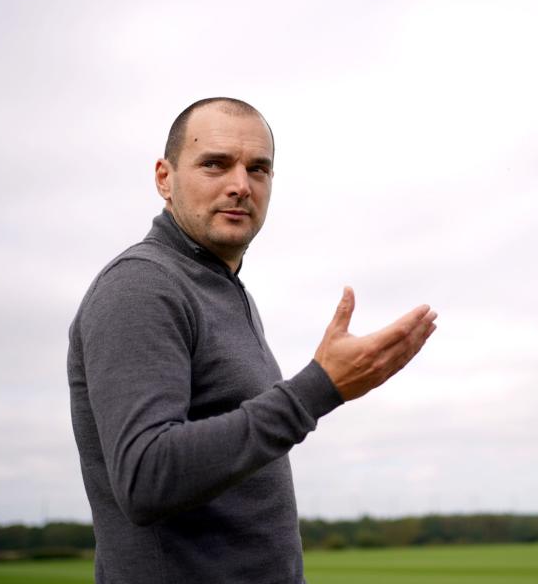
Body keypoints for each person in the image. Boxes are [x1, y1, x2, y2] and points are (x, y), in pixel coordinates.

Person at [67, 97, 437, 583]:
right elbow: (145, 477)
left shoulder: (222, 288)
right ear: (164, 177)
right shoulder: (141, 286)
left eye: (258, 169)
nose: (240, 185)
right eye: (215, 164)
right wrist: (319, 387)